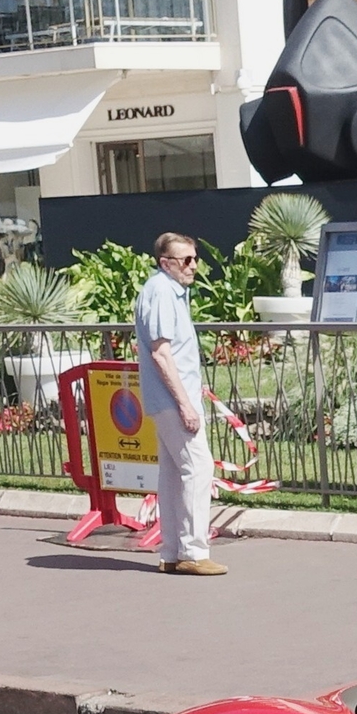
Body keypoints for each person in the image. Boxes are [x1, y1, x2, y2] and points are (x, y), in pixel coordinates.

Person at [136, 232, 223, 576]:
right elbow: (160, 352)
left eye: (195, 258)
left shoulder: (171, 292)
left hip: (170, 397)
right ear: (166, 262)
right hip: (173, 399)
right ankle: (193, 551)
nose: (193, 265)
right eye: (185, 260)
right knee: (198, 468)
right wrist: (185, 404)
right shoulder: (160, 291)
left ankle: (172, 551)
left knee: (174, 474)